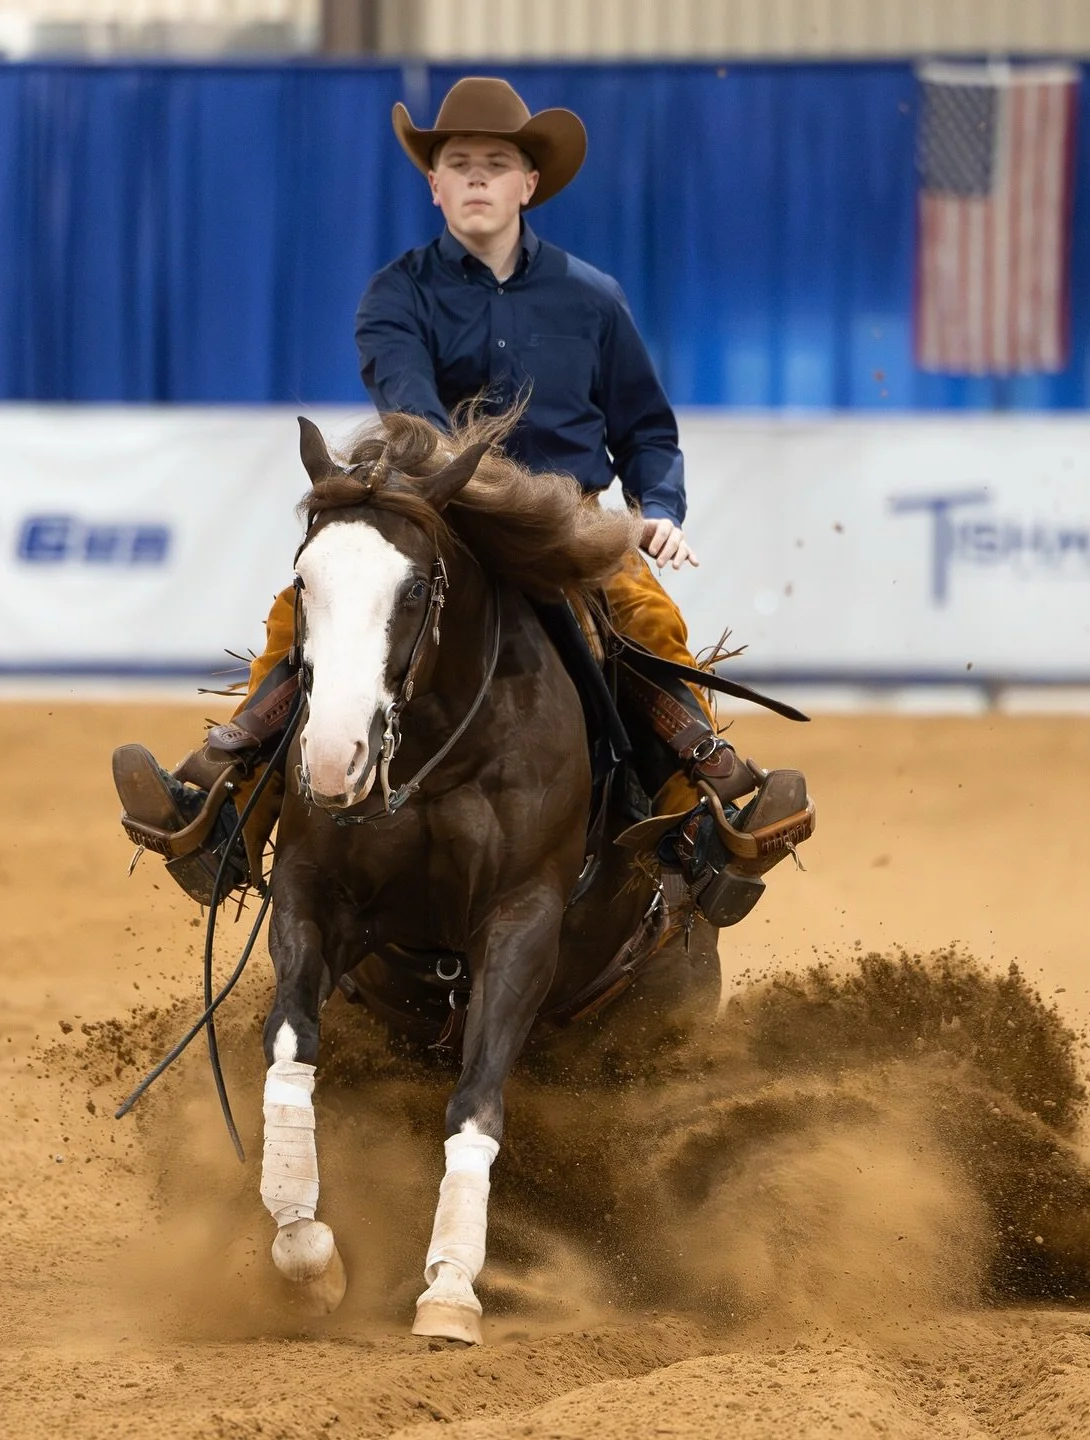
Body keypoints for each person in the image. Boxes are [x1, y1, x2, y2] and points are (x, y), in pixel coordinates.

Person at [113, 77, 812, 923]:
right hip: (441, 515)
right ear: (434, 185)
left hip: (573, 524)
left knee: (646, 620)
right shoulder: (396, 296)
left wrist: (659, 505)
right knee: (296, 621)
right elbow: (415, 420)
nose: (477, 178)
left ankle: (705, 822)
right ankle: (225, 815)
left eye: (495, 164)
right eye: (458, 164)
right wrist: (473, 496)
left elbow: (646, 430)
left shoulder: (593, 298)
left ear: (529, 184)